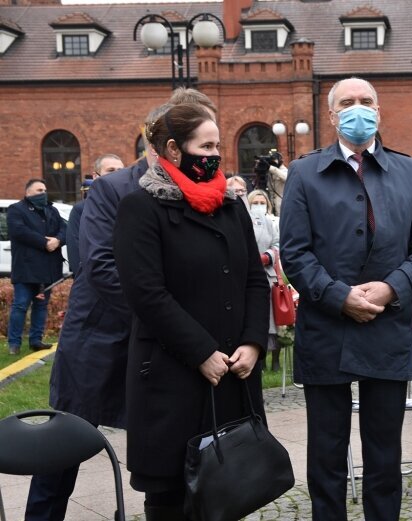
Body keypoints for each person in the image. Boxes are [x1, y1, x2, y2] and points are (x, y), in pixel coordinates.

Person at [40, 88, 218, 521]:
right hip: (101, 341)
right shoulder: (112, 190)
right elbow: (99, 267)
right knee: (62, 452)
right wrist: (167, 320)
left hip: (166, 349)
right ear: (165, 141)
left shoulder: (203, 196)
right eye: (200, 140)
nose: (209, 152)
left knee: (168, 459)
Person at [279, 76, 412, 521]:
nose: (357, 108)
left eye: (366, 101)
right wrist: (337, 296)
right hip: (326, 328)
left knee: (384, 451)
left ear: (379, 111)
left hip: (387, 326)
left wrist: (392, 287)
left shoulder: (408, 172)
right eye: (346, 102)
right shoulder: (305, 172)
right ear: (331, 116)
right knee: (327, 453)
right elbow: (294, 252)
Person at [113, 103, 269, 520]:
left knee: (232, 489)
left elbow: (255, 278)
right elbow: (146, 293)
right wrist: (201, 351)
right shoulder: (141, 208)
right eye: (206, 145)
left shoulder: (231, 207)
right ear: (173, 149)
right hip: (172, 376)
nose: (215, 154)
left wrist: (254, 342)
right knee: (172, 499)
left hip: (233, 374)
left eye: (218, 145)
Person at [6, 179, 66, 356]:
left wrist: (57, 240)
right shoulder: (16, 210)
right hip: (26, 268)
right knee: (20, 305)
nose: (44, 193)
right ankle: (14, 344)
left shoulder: (51, 210)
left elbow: (65, 228)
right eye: (39, 190)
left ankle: (36, 340)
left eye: (45, 190)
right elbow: (19, 231)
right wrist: (44, 243)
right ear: (28, 193)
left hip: (47, 268)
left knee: (41, 305)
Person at [66, 154, 124, 276]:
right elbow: (76, 251)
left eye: (120, 171)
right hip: (93, 283)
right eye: (110, 170)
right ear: (95, 176)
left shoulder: (130, 206)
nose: (116, 175)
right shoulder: (81, 209)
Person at [248, 188, 282, 372]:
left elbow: (277, 244)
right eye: (256, 202)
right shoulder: (243, 219)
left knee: (273, 321)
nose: (259, 206)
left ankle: (275, 360)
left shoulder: (271, 222)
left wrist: (268, 256)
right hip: (249, 274)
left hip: (268, 275)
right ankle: (258, 361)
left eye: (262, 203)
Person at [267, 151, 288, 215]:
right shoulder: (270, 172)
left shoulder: (284, 170)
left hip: (281, 202)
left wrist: (272, 169)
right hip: (272, 202)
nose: (273, 162)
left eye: (274, 160)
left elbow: (285, 178)